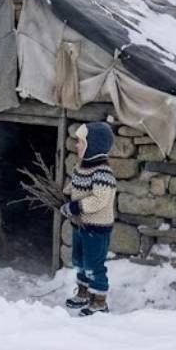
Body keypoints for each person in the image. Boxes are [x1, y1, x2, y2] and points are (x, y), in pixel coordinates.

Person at [61, 121, 117, 316]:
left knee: (94, 264)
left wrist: (75, 206)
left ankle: (99, 301)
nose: (76, 145)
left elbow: (99, 199)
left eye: (80, 142)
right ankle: (83, 293)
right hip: (81, 225)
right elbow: (75, 184)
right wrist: (64, 194)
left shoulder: (103, 173)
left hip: (96, 228)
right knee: (79, 260)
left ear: (92, 146)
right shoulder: (81, 167)